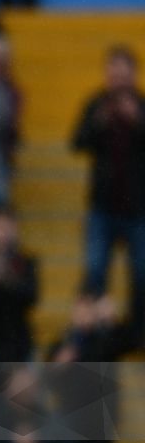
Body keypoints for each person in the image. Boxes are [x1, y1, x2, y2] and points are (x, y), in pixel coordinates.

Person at [72, 45, 145, 348]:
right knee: (95, 270)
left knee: (141, 274)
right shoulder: (96, 105)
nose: (116, 79)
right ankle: (91, 331)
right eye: (112, 72)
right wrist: (99, 123)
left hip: (139, 207)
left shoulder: (141, 106)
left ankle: (138, 332)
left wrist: (138, 122)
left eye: (122, 72)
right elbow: (77, 142)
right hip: (102, 205)